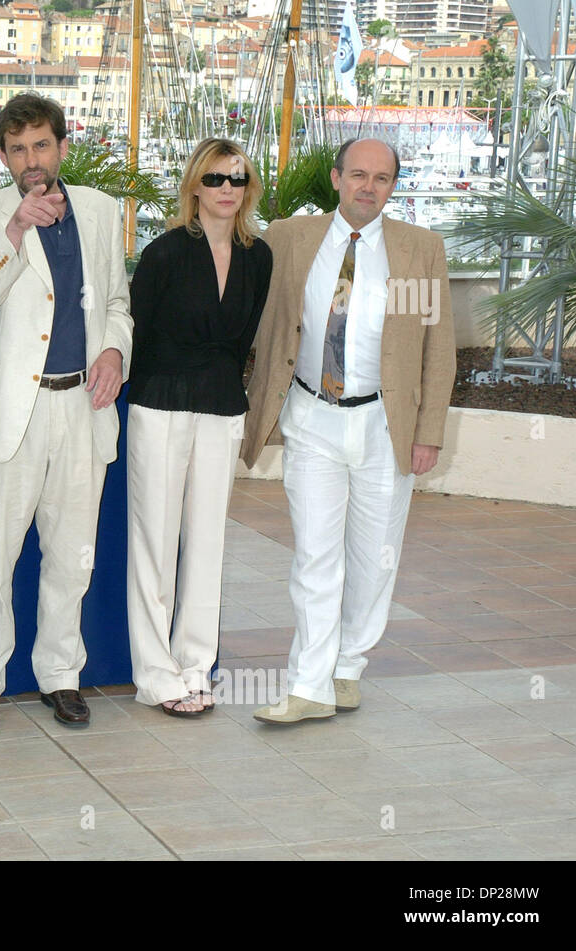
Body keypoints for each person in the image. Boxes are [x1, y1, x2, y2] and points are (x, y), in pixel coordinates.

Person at [241, 138, 455, 724]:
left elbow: (437, 348)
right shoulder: (291, 239)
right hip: (312, 417)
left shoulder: (417, 251)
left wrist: (428, 429)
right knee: (314, 553)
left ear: (392, 187)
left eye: (381, 178)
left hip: (386, 425)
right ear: (336, 179)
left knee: (375, 556)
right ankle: (308, 684)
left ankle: (348, 665)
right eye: (358, 174)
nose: (368, 186)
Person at [0, 93, 132, 733]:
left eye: (42, 145)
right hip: (10, 415)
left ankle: (61, 675)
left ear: (62, 145)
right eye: (18, 149)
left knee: (71, 556)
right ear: (4, 156)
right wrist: (17, 228)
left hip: (83, 406)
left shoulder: (101, 210)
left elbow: (116, 300)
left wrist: (114, 350)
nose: (32, 160)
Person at [126, 138, 272, 717]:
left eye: (237, 179)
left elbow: (247, 338)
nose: (226, 190)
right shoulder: (164, 252)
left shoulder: (259, 255)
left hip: (221, 405)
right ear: (194, 186)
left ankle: (194, 666)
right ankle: (155, 673)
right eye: (215, 179)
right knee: (155, 545)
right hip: (160, 402)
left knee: (207, 545)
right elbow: (136, 328)